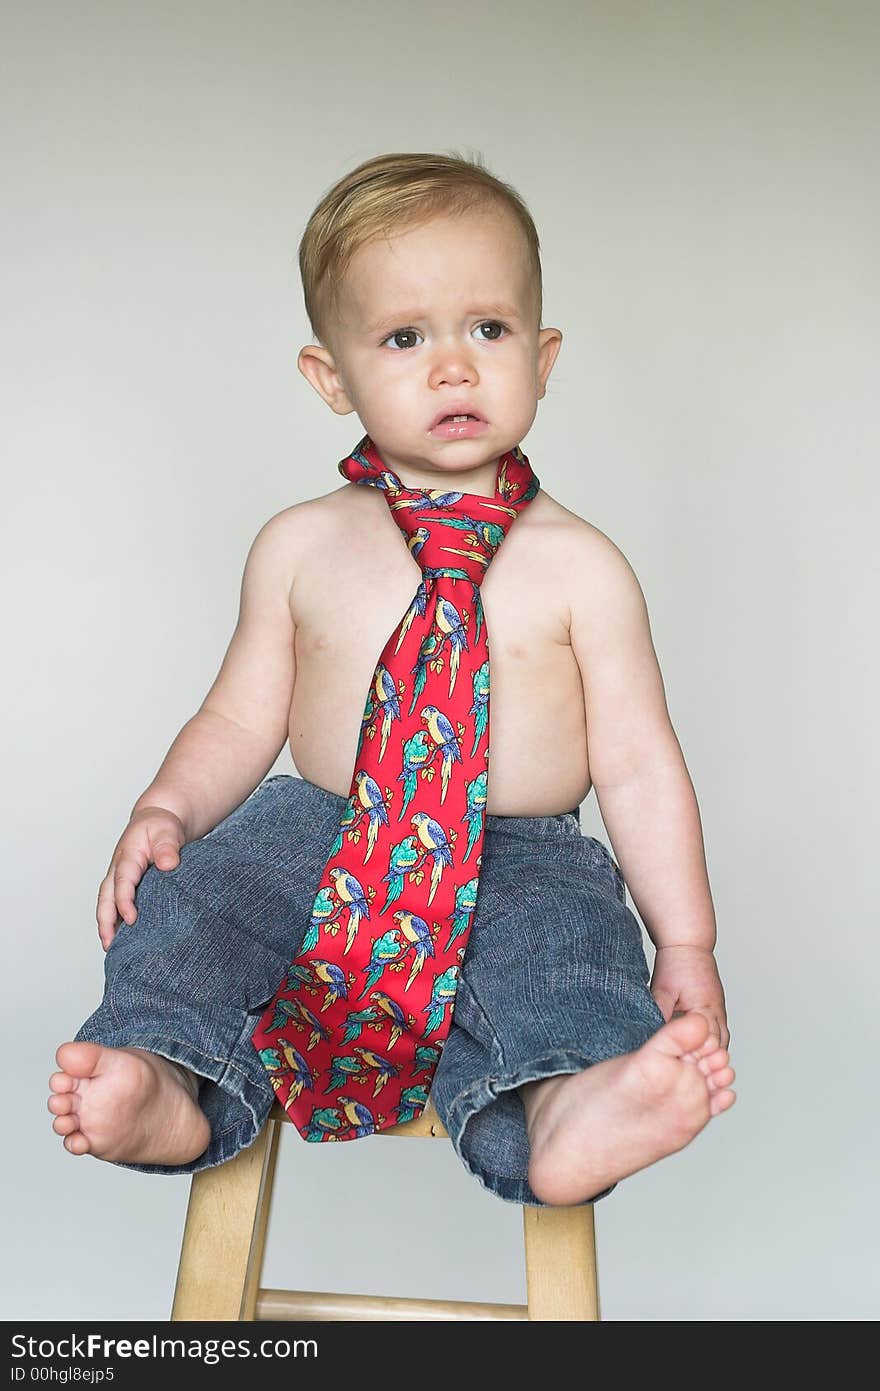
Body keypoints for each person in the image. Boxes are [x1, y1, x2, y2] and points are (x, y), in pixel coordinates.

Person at [47, 151, 735, 1208]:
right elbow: (238, 710)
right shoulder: (300, 545)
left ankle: (568, 1110)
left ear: (543, 356)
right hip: (314, 830)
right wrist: (167, 804)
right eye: (405, 337)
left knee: (566, 959)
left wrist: (684, 937)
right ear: (333, 377)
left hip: (519, 859)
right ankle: (163, 1073)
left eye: (488, 329)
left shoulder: (582, 567)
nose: (453, 366)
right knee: (194, 911)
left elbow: (639, 766)